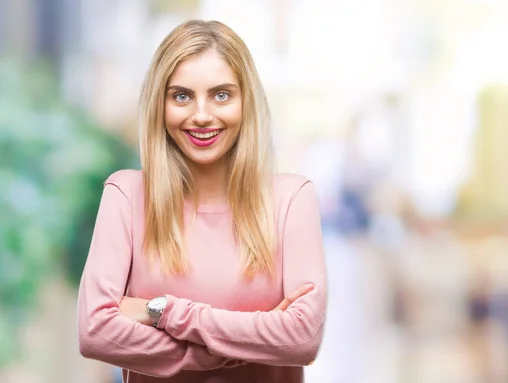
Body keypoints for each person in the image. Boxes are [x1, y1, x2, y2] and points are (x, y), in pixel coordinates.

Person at [77, 19, 328, 383]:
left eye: (221, 95)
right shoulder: (126, 195)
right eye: (181, 96)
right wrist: (234, 343)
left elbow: (302, 339)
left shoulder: (291, 198)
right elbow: (95, 332)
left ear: (246, 102)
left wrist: (163, 311)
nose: (201, 115)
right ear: (159, 106)